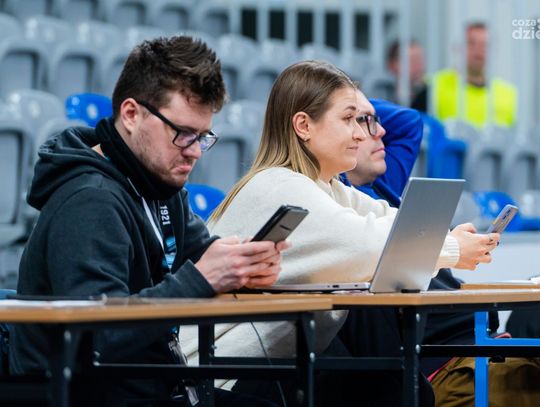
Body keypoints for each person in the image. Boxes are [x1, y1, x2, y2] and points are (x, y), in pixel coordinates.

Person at [180, 60, 499, 406]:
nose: (361, 134)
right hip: (221, 378)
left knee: (401, 389)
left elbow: (392, 222)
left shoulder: (329, 188)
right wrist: (452, 247)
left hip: (275, 364)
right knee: (394, 392)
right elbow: (366, 246)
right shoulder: (277, 185)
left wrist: (447, 239)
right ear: (303, 125)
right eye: (349, 119)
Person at [10, 36, 289, 407]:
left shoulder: (159, 183)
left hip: (158, 387)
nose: (194, 152)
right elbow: (97, 335)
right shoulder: (89, 200)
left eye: (202, 137)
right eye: (182, 134)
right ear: (131, 114)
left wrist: (244, 267)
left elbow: (202, 254)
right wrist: (203, 278)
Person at [343, 100, 540, 407]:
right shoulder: (338, 203)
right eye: (360, 121)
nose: (379, 130)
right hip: (450, 363)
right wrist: (342, 102)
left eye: (373, 120)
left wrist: (351, 99)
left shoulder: (382, 188)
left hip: (481, 343)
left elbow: (408, 122)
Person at [432, 22, 517, 128]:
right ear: (457, 48)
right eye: (471, 43)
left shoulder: (509, 94)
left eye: (485, 44)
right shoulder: (436, 86)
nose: (478, 49)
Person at [387, 39, 428, 112]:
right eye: (412, 60)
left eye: (420, 60)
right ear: (392, 64)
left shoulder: (429, 96)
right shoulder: (382, 95)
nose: (419, 66)